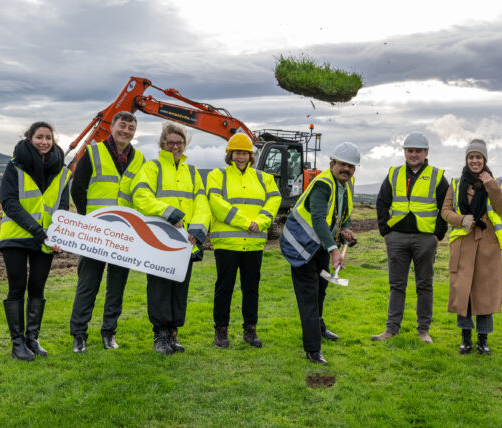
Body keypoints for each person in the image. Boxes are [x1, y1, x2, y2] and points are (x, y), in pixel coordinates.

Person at [131, 123, 211, 354]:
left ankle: (173, 334)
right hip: (159, 238)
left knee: (179, 286)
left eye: (179, 142)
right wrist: (168, 212)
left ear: (185, 144)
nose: (175, 146)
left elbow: (201, 202)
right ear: (163, 144)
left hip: (185, 239)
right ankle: (160, 335)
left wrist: (198, 228)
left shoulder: (192, 171)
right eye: (171, 142)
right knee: (159, 287)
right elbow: (141, 195)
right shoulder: (152, 167)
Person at [69, 111, 144, 353]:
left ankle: (109, 333)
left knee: (117, 286)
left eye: (131, 128)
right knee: (87, 284)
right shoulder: (92, 152)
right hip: (96, 232)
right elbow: (78, 188)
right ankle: (79, 335)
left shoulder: (139, 158)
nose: (126, 131)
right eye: (122, 126)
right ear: (112, 127)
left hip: (124, 234)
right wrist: (88, 221)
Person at [280, 142, 359, 365]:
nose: (347, 169)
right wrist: (335, 250)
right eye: (343, 164)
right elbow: (317, 219)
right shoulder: (324, 184)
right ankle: (313, 350)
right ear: (332, 164)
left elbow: (341, 212)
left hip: (319, 248)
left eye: (351, 166)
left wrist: (346, 228)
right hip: (301, 247)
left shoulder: (343, 185)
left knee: (320, 292)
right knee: (308, 297)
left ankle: (319, 327)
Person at [0, 121, 70, 361]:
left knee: (37, 288)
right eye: (39, 137)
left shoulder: (61, 170)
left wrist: (59, 235)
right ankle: (17, 344)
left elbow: (62, 207)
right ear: (30, 138)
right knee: (17, 288)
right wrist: (40, 232)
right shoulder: (14, 166)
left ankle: (32, 339)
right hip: (16, 237)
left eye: (48, 137)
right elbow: (9, 203)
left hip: (46, 240)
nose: (44, 142)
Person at [206, 133, 281, 348]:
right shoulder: (216, 175)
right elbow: (216, 203)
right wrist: (245, 222)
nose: (241, 157)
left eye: (245, 153)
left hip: (253, 244)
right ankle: (221, 331)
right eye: (237, 152)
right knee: (224, 289)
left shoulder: (263, 178)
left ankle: (250, 331)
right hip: (227, 245)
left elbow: (274, 200)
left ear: (251, 156)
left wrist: (261, 221)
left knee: (251, 289)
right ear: (229, 154)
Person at [372, 132, 448, 343]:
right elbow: (382, 203)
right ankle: (390, 330)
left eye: (418, 151)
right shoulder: (394, 173)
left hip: (425, 239)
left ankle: (423, 331)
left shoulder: (437, 176)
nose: (413, 154)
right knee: (397, 285)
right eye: (410, 150)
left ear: (426, 153)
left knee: (424, 286)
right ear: (405, 152)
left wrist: (437, 235)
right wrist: (385, 232)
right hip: (396, 238)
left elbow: (445, 207)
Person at [441, 139, 502, 355]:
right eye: (471, 157)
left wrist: (490, 184)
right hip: (463, 244)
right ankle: (465, 338)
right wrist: (461, 220)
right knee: (464, 292)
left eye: (478, 157)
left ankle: (483, 340)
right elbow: (445, 211)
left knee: (485, 292)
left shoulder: (495, 183)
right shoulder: (456, 183)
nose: (475, 160)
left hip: (488, 244)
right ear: (466, 160)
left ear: (485, 159)